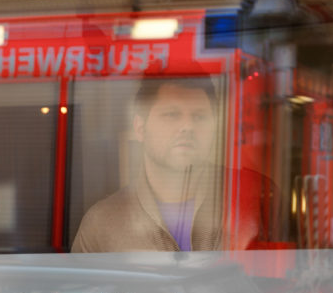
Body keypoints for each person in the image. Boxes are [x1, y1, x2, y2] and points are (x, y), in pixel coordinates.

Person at [72, 77, 233, 252]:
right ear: (140, 128)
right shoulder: (101, 224)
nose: (188, 126)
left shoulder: (250, 198)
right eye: (172, 115)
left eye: (199, 116)